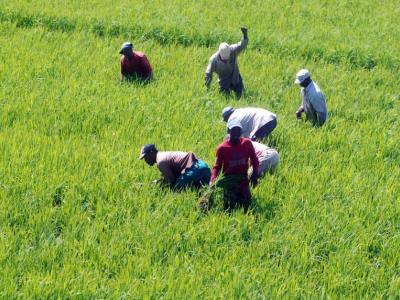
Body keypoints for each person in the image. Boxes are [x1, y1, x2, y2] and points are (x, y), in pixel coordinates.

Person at [210, 119, 259, 212]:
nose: (236, 133)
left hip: (243, 180)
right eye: (234, 131)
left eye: (238, 131)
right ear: (228, 131)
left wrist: (255, 173)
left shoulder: (247, 143)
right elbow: (216, 167)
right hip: (229, 182)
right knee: (229, 208)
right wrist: (212, 181)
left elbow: (254, 159)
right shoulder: (222, 148)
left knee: (247, 205)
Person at [139, 144, 210, 190]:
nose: (145, 160)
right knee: (201, 190)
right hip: (203, 166)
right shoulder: (163, 155)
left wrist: (156, 186)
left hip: (194, 169)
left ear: (151, 152)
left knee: (176, 188)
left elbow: (171, 181)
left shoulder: (160, 161)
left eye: (146, 157)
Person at [205, 27, 248, 98]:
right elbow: (208, 74)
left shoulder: (233, 50)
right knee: (224, 97)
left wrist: (245, 35)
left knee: (241, 96)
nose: (226, 59)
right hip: (224, 82)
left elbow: (242, 45)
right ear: (219, 53)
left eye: (228, 56)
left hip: (236, 78)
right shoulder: (213, 60)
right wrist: (207, 87)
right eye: (224, 58)